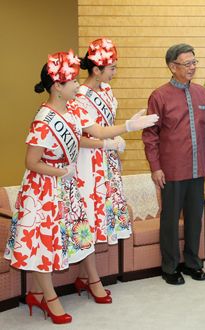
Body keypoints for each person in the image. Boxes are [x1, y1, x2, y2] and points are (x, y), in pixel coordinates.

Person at [3, 50, 158, 324]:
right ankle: (49, 298)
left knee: (66, 240)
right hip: (43, 191)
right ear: (57, 87)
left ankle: (38, 294)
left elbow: (95, 133)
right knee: (45, 245)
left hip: (65, 187)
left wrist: (127, 127)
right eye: (72, 81)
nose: (78, 85)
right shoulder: (43, 120)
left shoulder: (72, 109)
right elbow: (31, 161)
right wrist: (61, 170)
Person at [142, 43, 205, 285]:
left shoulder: (202, 94)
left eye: (195, 62)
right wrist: (155, 167)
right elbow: (150, 135)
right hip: (171, 171)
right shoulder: (159, 96)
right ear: (172, 67)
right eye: (187, 63)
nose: (193, 67)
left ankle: (193, 263)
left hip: (198, 169)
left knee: (196, 218)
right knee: (170, 220)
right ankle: (170, 267)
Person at [73, 38, 130, 301]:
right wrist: (108, 141)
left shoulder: (106, 91)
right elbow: (79, 137)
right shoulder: (78, 97)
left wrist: (111, 145)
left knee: (102, 216)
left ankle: (85, 277)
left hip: (106, 162)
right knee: (89, 216)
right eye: (111, 68)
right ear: (97, 70)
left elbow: (108, 125)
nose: (114, 72)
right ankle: (92, 280)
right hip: (87, 162)